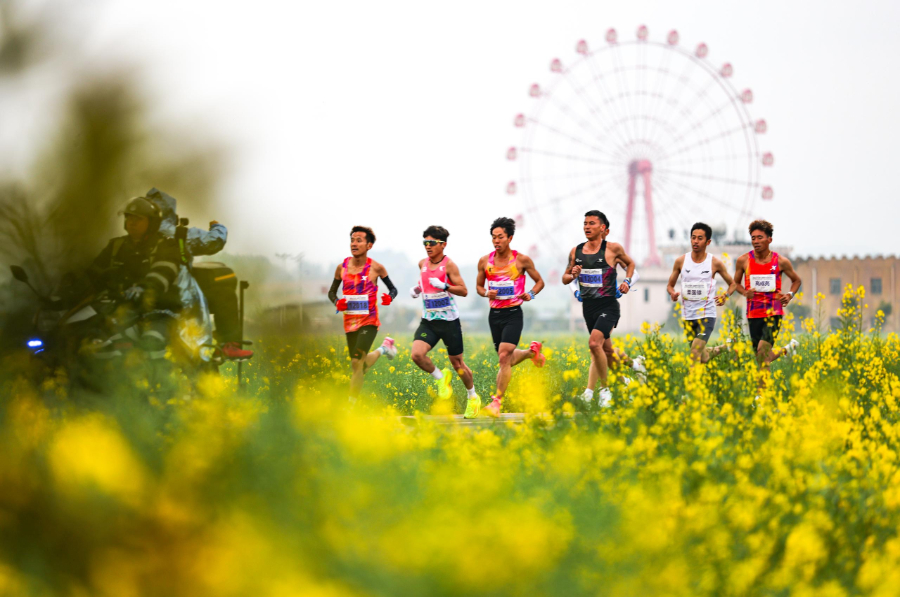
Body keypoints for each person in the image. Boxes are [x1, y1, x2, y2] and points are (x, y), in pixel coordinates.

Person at [145, 188, 251, 360]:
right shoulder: (177, 233)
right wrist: (218, 227)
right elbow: (214, 242)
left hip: (143, 297)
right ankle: (229, 342)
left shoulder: (132, 238)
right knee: (225, 288)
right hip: (178, 297)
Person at [86, 197, 185, 363]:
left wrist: (143, 288)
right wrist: (67, 290)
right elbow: (93, 273)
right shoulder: (116, 246)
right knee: (92, 337)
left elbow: (163, 273)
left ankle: (162, 386)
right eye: (129, 218)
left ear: (152, 223)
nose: (131, 222)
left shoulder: (166, 246)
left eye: (138, 219)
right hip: (121, 308)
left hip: (159, 309)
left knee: (152, 341)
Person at [561, 210, 637, 407]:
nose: (587, 226)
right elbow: (564, 278)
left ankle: (604, 391)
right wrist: (573, 274)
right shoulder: (575, 252)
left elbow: (630, 264)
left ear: (603, 228)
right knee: (606, 352)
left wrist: (627, 282)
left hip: (609, 305)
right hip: (589, 308)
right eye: (585, 223)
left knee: (594, 344)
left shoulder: (612, 249)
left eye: (592, 223)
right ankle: (626, 382)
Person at [475, 216, 545, 417]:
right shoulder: (484, 261)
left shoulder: (521, 260)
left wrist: (530, 294)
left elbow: (540, 282)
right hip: (494, 315)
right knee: (505, 358)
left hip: (513, 314)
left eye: (500, 237)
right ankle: (532, 352)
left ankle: (496, 403)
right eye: (493, 237)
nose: (496, 241)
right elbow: (479, 287)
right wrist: (486, 292)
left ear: (510, 238)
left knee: (504, 356)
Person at [409, 225, 481, 418]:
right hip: (429, 321)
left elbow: (464, 290)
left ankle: (473, 397)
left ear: (443, 245)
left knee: (458, 365)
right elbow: (424, 282)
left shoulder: (449, 265)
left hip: (449, 321)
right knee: (417, 355)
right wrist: (417, 290)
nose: (427, 246)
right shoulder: (422, 263)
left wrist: (446, 286)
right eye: (425, 243)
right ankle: (441, 379)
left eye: (431, 243)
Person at [328, 226, 398, 403]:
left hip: (369, 321)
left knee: (356, 363)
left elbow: (393, 289)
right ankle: (384, 349)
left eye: (359, 240)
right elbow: (331, 293)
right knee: (359, 365)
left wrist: (389, 298)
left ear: (369, 245)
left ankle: (351, 407)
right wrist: (337, 302)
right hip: (350, 322)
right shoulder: (341, 268)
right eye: (352, 239)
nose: (354, 243)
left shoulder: (376, 268)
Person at [730, 219, 801, 373]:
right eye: (753, 238)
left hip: (773, 313)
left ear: (770, 239)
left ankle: (761, 395)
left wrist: (789, 295)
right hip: (753, 313)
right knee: (762, 358)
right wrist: (745, 293)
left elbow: (796, 280)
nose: (756, 241)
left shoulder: (781, 261)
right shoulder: (743, 260)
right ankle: (787, 349)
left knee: (762, 352)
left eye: (760, 237)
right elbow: (736, 284)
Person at [666, 222, 738, 365]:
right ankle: (727, 347)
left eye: (700, 238)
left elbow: (733, 284)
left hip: (707, 315)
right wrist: (672, 293)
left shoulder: (715, 263)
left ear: (708, 241)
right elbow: (670, 285)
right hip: (688, 315)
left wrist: (725, 296)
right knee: (702, 357)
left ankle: (692, 384)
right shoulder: (681, 261)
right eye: (693, 238)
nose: (695, 241)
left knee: (694, 352)